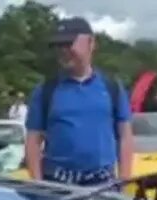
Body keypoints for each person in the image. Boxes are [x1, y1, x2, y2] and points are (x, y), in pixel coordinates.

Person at [23, 17, 133, 186]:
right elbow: (33, 140)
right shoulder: (46, 90)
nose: (63, 51)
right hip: (58, 187)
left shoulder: (112, 87)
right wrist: (39, 185)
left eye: (69, 44)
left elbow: (125, 136)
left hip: (103, 186)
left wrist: (124, 180)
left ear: (91, 43)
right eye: (59, 46)